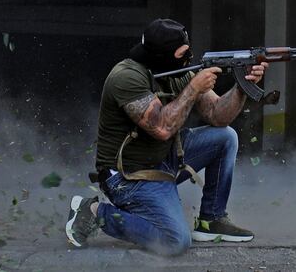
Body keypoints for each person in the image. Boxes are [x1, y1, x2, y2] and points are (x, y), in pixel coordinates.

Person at [65, 18, 268, 255]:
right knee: (174, 241)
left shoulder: (177, 71)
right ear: (162, 55)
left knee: (225, 137)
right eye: (183, 53)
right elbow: (161, 128)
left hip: (165, 159)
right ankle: (94, 213)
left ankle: (211, 220)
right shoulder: (126, 77)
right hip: (129, 176)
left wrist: (242, 85)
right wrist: (193, 88)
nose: (189, 57)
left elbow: (217, 115)